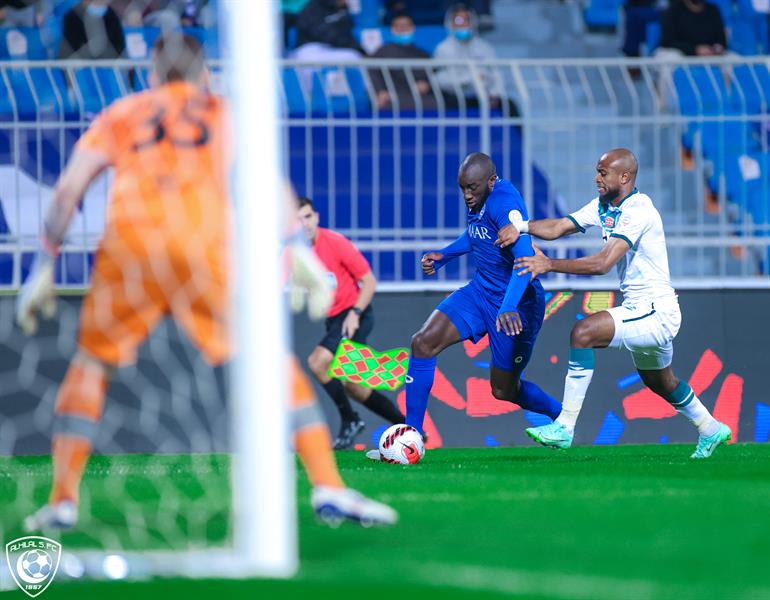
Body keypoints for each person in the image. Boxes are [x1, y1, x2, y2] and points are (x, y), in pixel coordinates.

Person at [17, 33, 396, 530]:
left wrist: (45, 262)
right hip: (202, 248)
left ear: (153, 76)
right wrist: (297, 249)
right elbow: (266, 179)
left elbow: (68, 191)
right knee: (266, 361)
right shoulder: (223, 110)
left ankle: (63, 499)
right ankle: (329, 486)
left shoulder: (123, 111)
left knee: (90, 367)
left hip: (130, 249)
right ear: (205, 75)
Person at [495, 148, 731, 459]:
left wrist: (549, 265)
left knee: (583, 332)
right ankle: (711, 427)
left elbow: (603, 263)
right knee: (659, 381)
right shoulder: (605, 205)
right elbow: (561, 226)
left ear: (625, 177)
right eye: (597, 171)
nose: (596, 178)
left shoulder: (639, 211)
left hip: (655, 310)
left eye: (603, 173)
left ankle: (564, 426)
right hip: (644, 308)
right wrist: (522, 227)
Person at [368, 153, 562, 460]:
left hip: (517, 306)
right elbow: (477, 234)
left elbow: (525, 261)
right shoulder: (478, 200)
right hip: (481, 292)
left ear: (491, 181)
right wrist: (445, 255)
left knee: (503, 391)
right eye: (462, 188)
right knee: (422, 343)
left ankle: (562, 416)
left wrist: (509, 306)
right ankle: (411, 439)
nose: (466, 195)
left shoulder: (505, 205)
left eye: (472, 188)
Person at [298, 197, 405, 450]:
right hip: (334, 319)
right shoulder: (297, 253)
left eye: (307, 217)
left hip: (355, 315)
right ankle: (407, 427)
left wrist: (355, 313)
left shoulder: (334, 242)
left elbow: (369, 281)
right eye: (297, 220)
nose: (303, 224)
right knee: (354, 386)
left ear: (317, 217)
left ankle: (350, 420)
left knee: (317, 361)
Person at [433, 4, 517, 115]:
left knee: (510, 106)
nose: (463, 24)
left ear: (473, 22)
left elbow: (496, 73)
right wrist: (469, 79)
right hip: (456, 95)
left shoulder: (484, 47)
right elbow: (439, 79)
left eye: (466, 20)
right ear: (450, 23)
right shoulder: (442, 49)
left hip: (483, 94)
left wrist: (494, 93)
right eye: (458, 20)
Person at [368, 13, 436, 111]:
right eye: (399, 26)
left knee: (433, 104)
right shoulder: (383, 51)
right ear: (392, 29)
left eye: (406, 26)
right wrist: (380, 91)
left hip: (418, 97)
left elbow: (431, 75)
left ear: (413, 28)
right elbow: (373, 72)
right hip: (390, 96)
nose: (403, 29)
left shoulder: (422, 54)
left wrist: (426, 84)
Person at [58, 0, 126, 60]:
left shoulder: (112, 16)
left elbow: (118, 44)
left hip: (107, 61)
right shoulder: (72, 16)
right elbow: (71, 43)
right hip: (79, 61)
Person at [659, 0, 726, 56]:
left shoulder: (713, 10)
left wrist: (718, 47)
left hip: (710, 54)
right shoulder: (673, 11)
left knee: (733, 58)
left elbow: (721, 39)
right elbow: (667, 42)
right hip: (682, 54)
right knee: (669, 57)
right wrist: (695, 49)